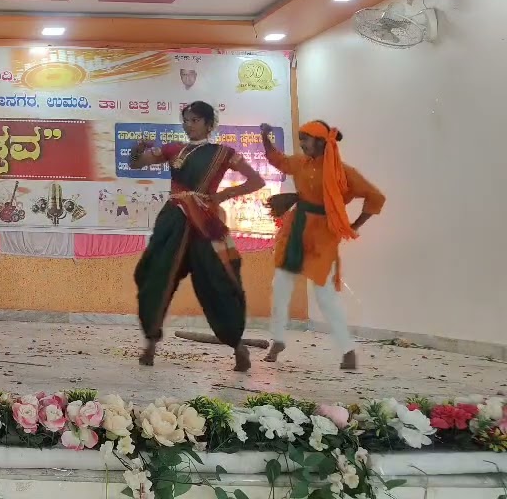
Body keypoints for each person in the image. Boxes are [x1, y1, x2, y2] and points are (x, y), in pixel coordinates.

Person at [129, 101, 266, 371]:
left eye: (194, 120)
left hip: (204, 224)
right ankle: (150, 345)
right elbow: (136, 164)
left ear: (208, 123)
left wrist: (224, 195)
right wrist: (139, 148)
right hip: (174, 221)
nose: (188, 125)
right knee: (155, 276)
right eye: (186, 120)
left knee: (218, 283)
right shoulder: (173, 149)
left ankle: (238, 346)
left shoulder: (223, 153)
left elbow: (256, 182)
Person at [260, 121, 384, 370]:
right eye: (301, 140)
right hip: (296, 230)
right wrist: (265, 137)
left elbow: (376, 197)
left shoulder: (343, 172)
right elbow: (279, 161)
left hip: (323, 236)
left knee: (325, 296)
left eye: (306, 140)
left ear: (320, 142)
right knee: (280, 286)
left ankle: (348, 350)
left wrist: (354, 225)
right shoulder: (301, 163)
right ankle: (278, 339)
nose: (303, 145)